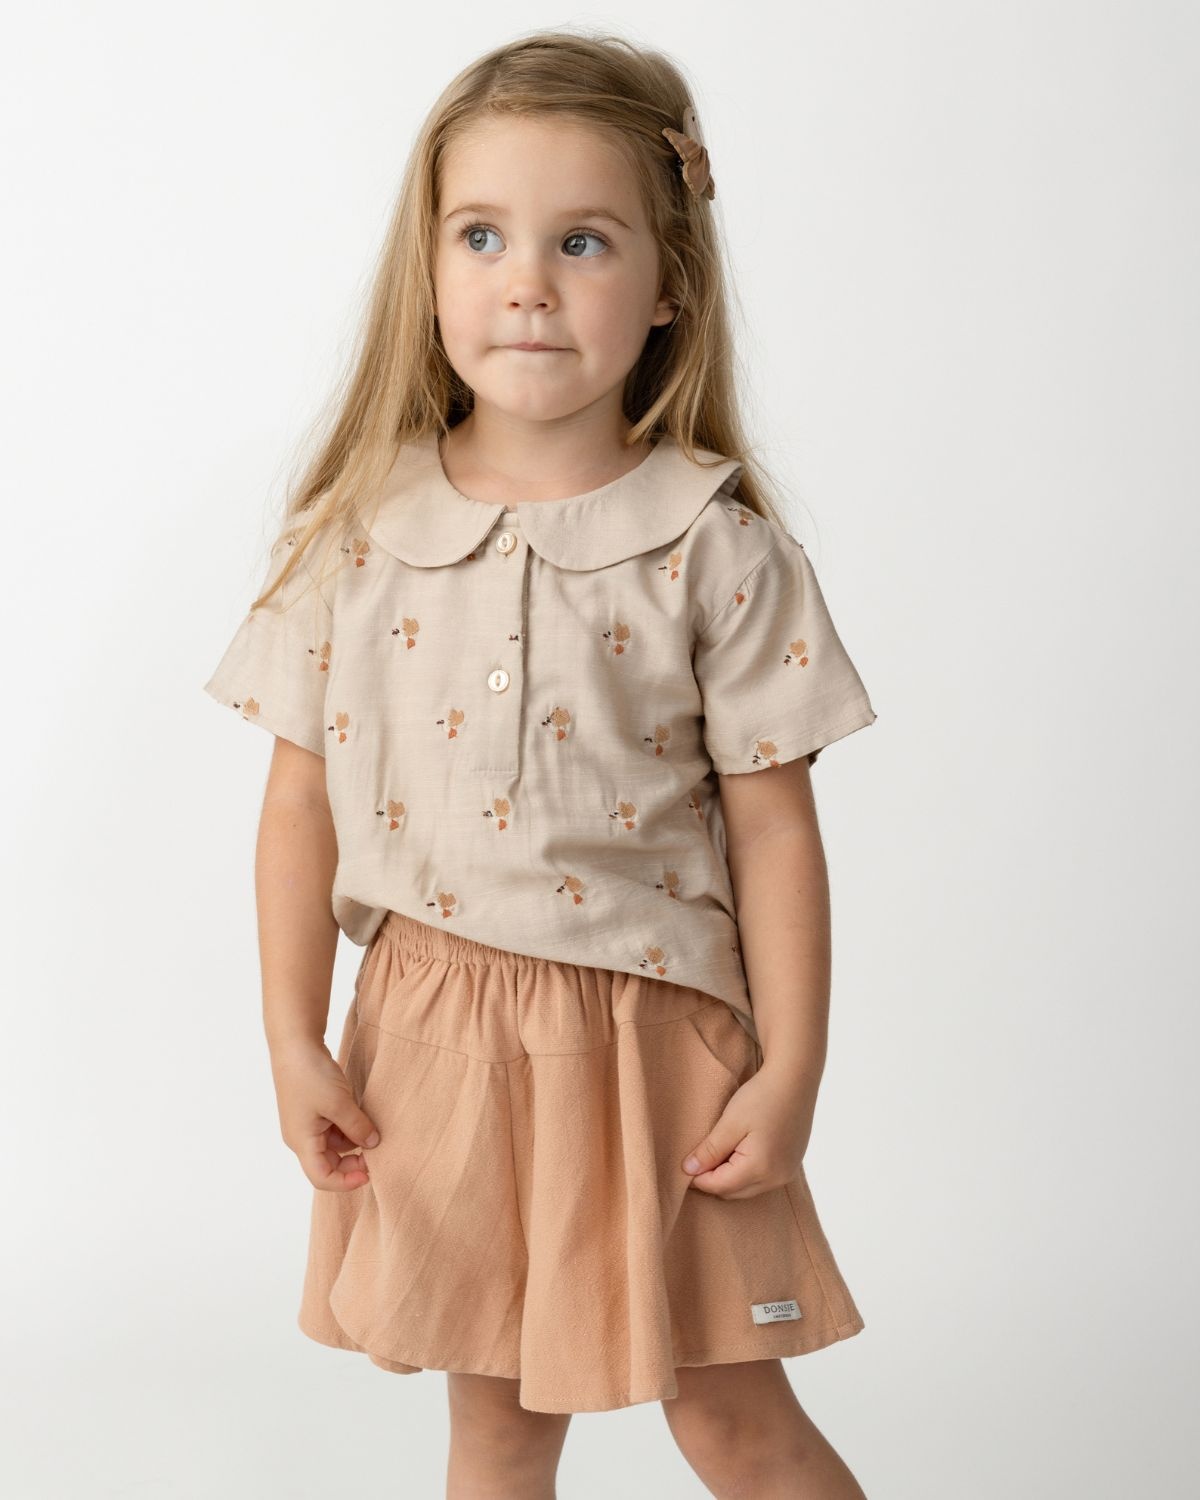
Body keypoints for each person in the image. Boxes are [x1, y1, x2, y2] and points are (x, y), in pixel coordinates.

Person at [203, 27, 877, 1500]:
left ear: (670, 282)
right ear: (428, 266)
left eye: (582, 240)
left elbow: (776, 832)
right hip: (434, 1048)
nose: (528, 282)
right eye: (482, 236)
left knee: (736, 1425)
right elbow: (299, 802)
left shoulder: (717, 548)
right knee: (498, 1434)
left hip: (657, 1050)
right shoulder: (353, 536)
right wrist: (291, 1036)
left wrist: (795, 1067)